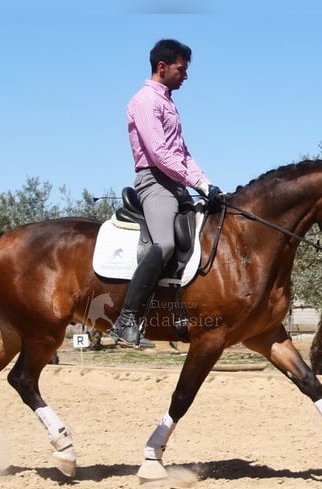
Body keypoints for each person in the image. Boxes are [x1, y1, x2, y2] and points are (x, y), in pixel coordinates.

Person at [109, 38, 223, 349]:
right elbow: (159, 153)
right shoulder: (145, 101)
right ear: (163, 67)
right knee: (166, 243)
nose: (185, 75)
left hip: (177, 182)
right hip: (155, 181)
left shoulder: (169, 102)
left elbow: (183, 153)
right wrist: (197, 184)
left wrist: (206, 182)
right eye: (181, 69)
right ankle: (127, 320)